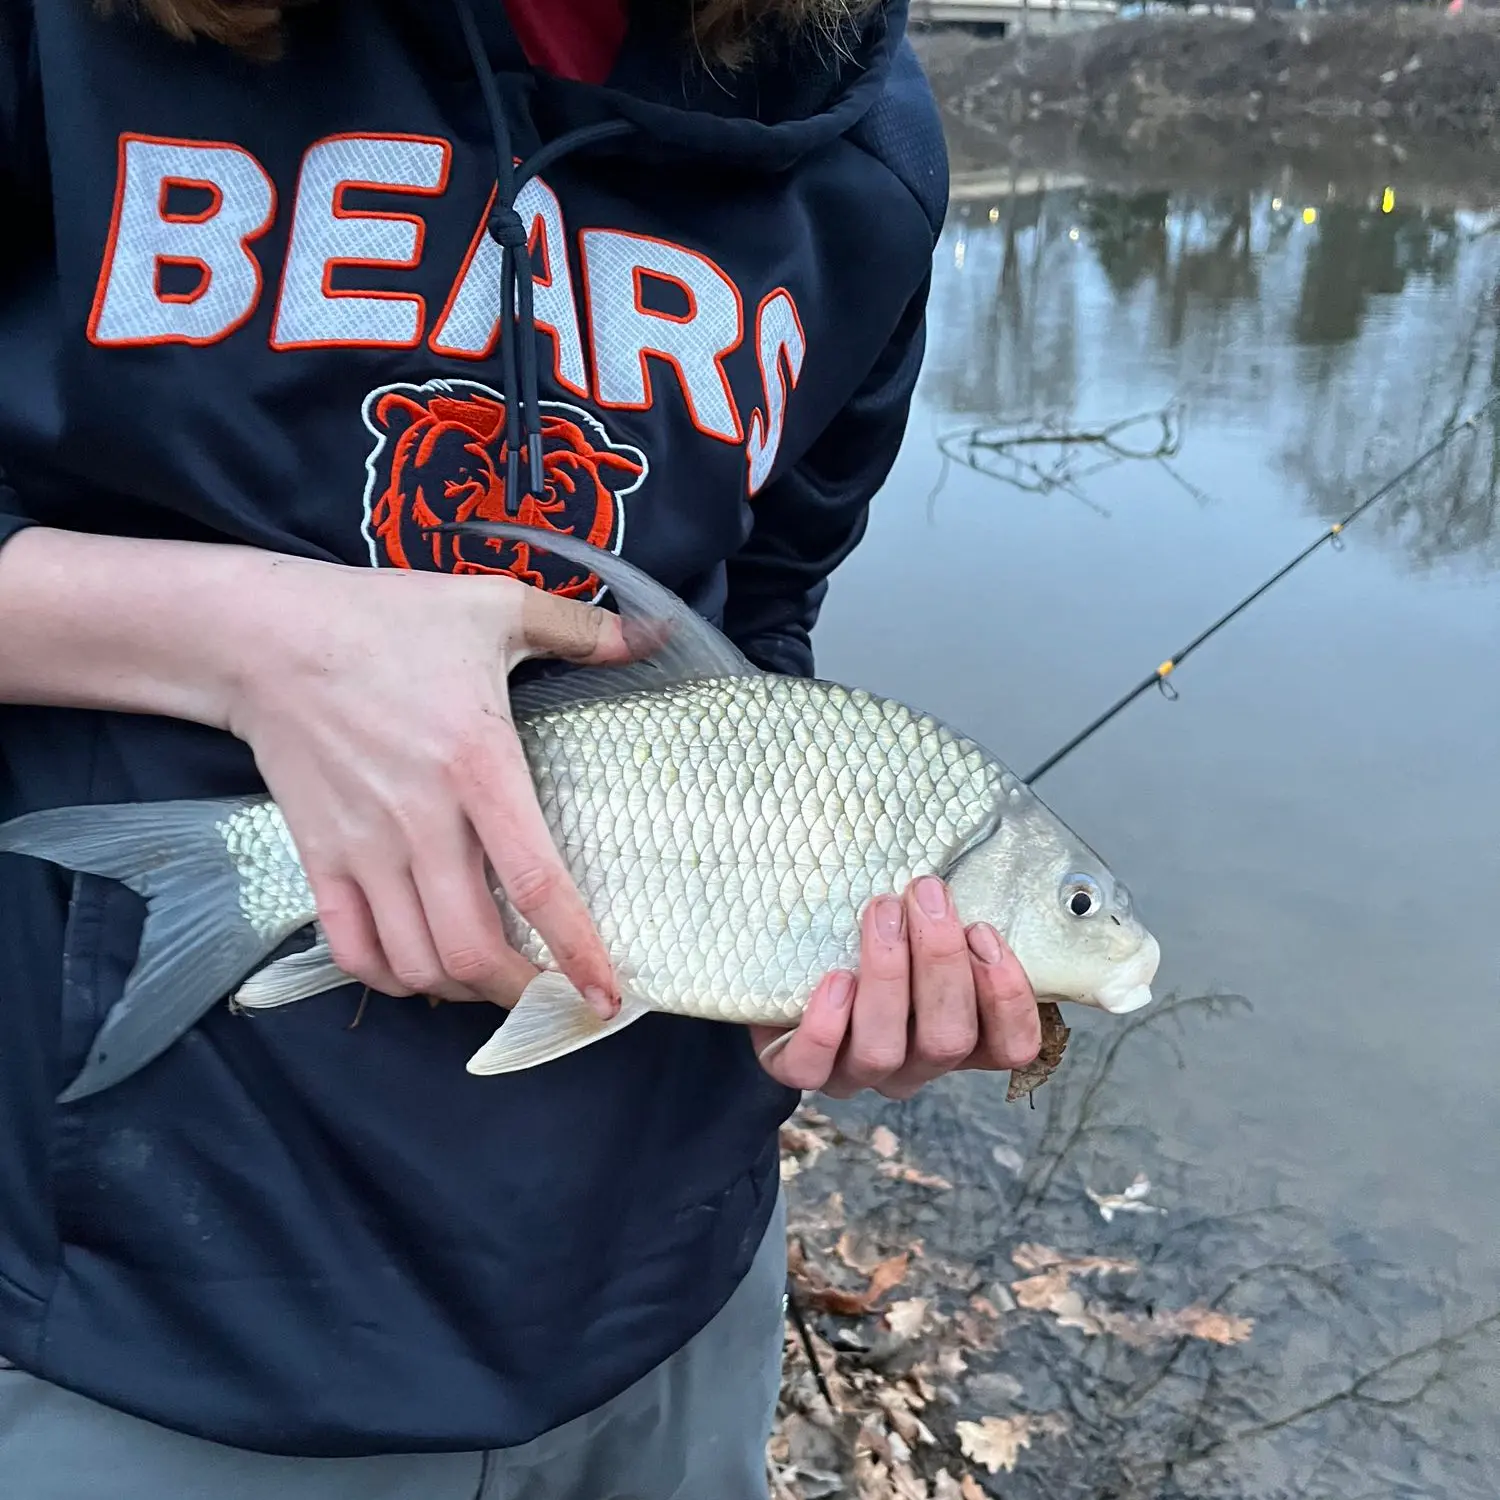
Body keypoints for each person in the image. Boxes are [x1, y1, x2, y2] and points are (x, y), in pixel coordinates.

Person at [0, 1, 1043, 1495]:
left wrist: (815, 938)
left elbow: (764, 608)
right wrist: (244, 638)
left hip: (669, 1301)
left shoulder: (860, 132)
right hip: (155, 1309)